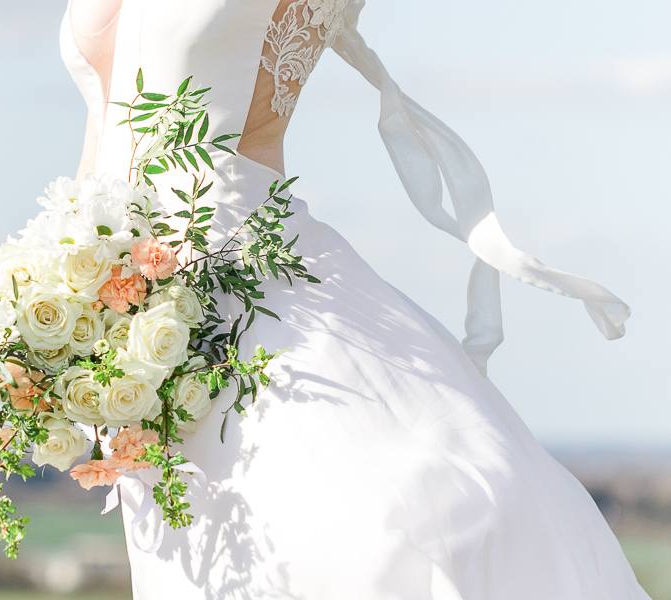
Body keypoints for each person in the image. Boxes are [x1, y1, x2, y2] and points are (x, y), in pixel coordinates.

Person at [62, 0, 646, 598]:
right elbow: (99, 138)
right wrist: (49, 297)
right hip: (121, 322)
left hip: (248, 282)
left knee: (384, 524)